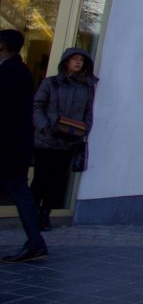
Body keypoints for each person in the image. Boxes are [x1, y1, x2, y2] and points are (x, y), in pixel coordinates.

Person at [32, 46, 97, 232]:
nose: (78, 62)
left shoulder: (87, 87)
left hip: (69, 141)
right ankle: (31, 214)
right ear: (66, 61)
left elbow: (88, 113)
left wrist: (84, 130)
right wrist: (44, 127)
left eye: (81, 60)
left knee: (57, 181)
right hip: (46, 140)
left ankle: (45, 215)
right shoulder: (51, 83)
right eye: (75, 58)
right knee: (40, 179)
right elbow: (37, 105)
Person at [0, 28, 47, 263]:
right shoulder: (18, 71)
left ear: (3, 46)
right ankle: (36, 242)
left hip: (8, 147)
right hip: (14, 147)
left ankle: (36, 242)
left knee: (21, 195)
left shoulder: (11, 72)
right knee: (21, 195)